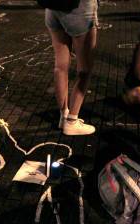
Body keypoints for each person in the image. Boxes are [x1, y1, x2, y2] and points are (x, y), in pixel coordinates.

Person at [45, 0, 99, 136]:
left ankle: (64, 116)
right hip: (80, 9)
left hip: (53, 9)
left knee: (60, 66)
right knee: (85, 69)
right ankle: (71, 122)